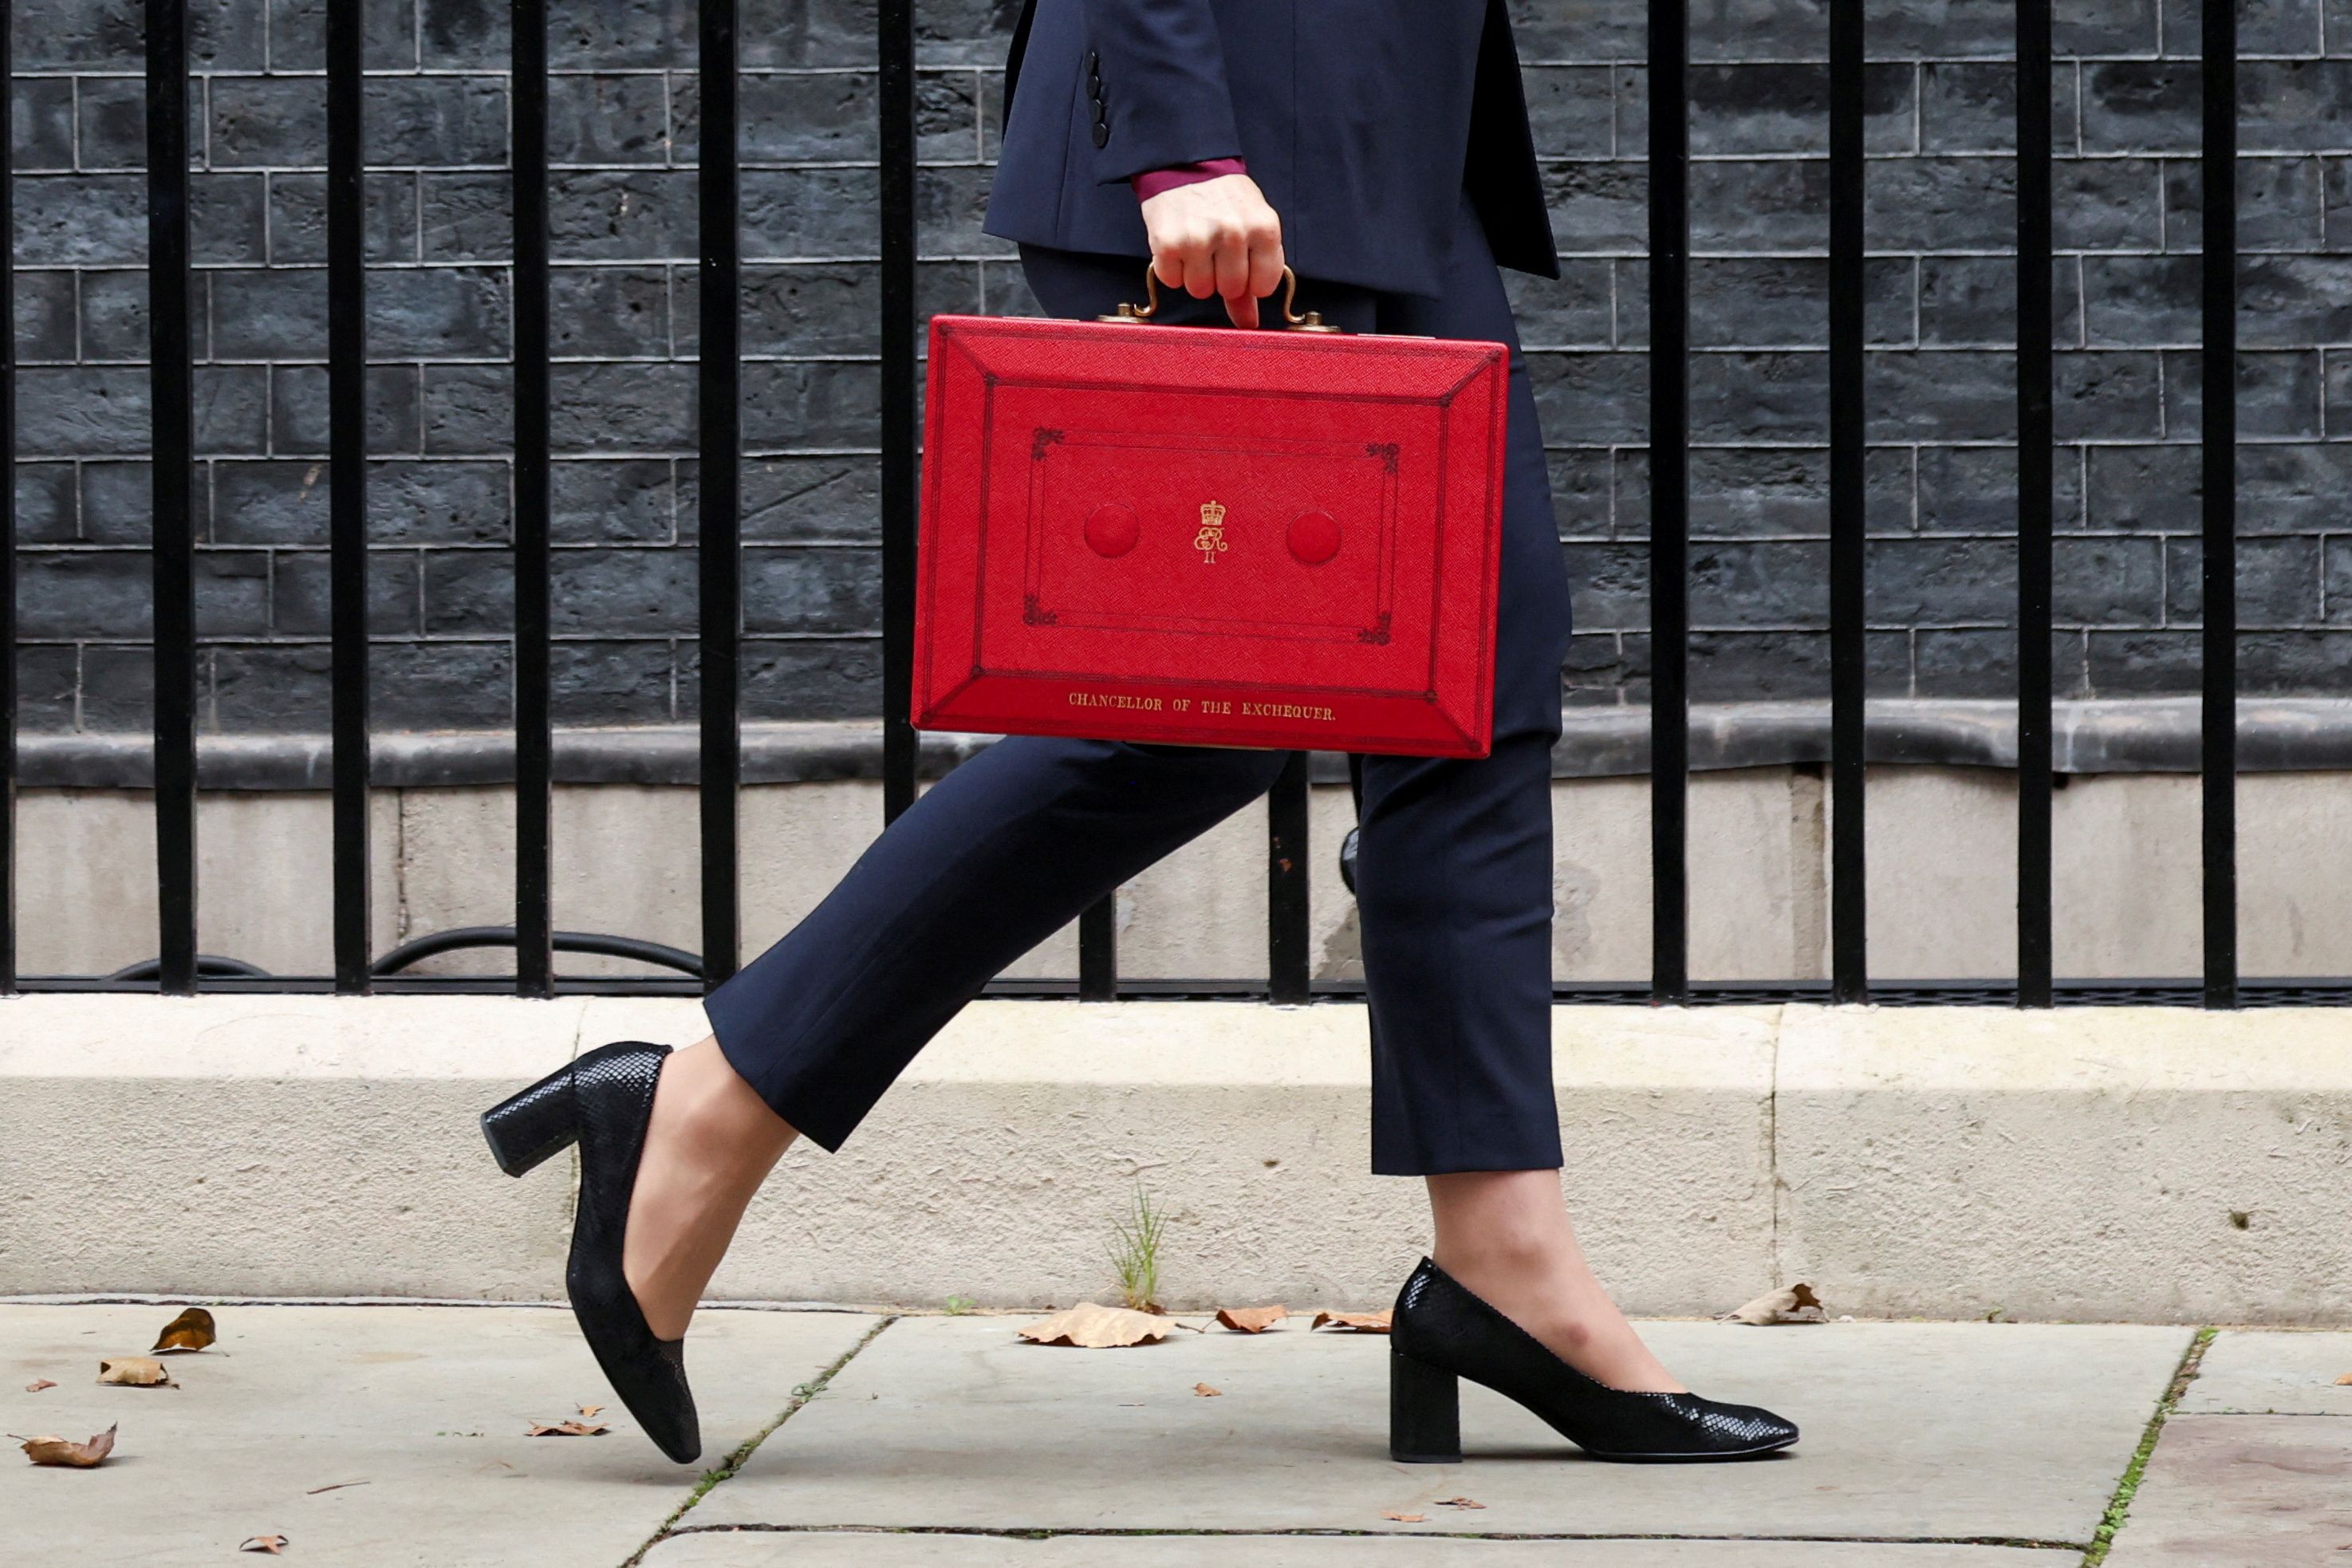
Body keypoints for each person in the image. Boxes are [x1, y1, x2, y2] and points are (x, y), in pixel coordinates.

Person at [479, 0, 1798, 1468]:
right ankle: (706, 1102)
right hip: (1232, 163)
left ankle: (1505, 1252)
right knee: (1190, 716)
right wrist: (1179, 146)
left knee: (1473, 687)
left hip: (1396, 161)